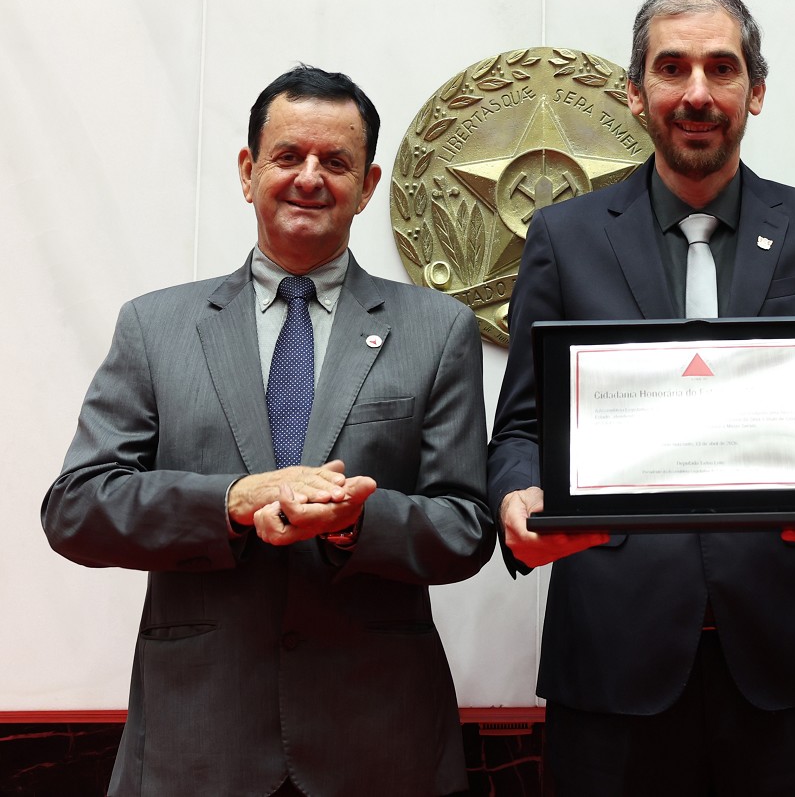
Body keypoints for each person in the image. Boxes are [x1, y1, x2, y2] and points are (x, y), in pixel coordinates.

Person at [487, 0, 795, 796]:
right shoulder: (563, 237)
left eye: (722, 68)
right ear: (634, 90)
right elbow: (518, 430)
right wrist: (515, 502)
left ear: (756, 91)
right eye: (671, 67)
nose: (696, 92)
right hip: (610, 669)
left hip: (791, 667)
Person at [42, 65, 494, 797]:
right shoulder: (155, 327)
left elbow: (467, 527)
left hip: (379, 743)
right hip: (198, 740)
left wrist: (356, 522)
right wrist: (234, 499)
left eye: (336, 162)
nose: (310, 177)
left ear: (369, 184)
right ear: (249, 172)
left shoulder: (436, 330)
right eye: (288, 156)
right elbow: (76, 509)